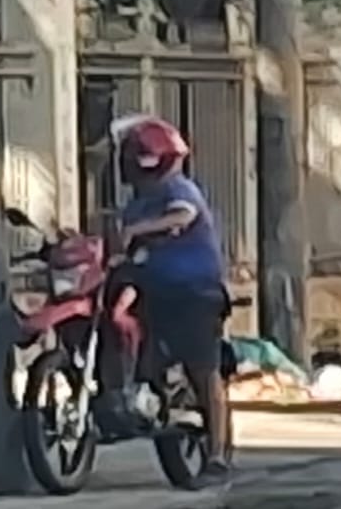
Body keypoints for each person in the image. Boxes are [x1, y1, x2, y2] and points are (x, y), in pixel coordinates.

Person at [113, 114, 232, 487]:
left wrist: (138, 231)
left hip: (195, 294)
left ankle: (216, 456)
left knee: (203, 370)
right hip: (153, 294)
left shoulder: (178, 189)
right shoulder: (135, 205)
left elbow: (184, 215)